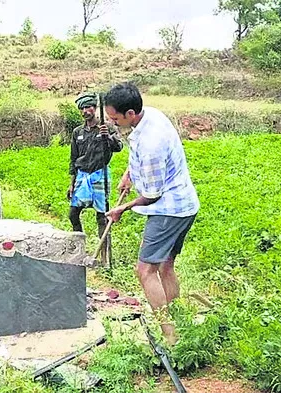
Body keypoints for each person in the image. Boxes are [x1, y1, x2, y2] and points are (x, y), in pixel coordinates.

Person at [103, 82, 200, 345]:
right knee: (166, 265)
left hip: (168, 209)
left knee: (145, 270)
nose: (112, 122)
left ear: (131, 113)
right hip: (185, 203)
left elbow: (153, 195)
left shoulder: (151, 144)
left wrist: (123, 208)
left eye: (115, 118)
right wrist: (128, 173)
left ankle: (169, 335)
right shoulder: (152, 115)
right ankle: (178, 321)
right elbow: (137, 157)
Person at [67, 92, 123, 264]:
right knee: (73, 214)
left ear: (95, 108)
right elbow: (73, 158)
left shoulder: (108, 127)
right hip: (82, 177)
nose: (85, 111)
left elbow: (118, 147)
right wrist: (71, 183)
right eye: (82, 108)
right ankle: (79, 250)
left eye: (88, 107)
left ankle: (105, 258)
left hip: (100, 175)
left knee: (102, 217)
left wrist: (108, 137)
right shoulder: (78, 132)